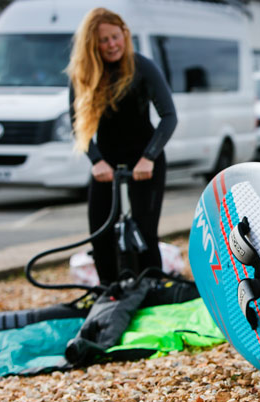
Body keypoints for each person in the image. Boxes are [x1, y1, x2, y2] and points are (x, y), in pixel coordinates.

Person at [67, 8, 177, 285]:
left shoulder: (142, 67)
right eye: (103, 40)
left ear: (124, 35)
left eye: (116, 37)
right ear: (92, 45)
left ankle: (151, 291)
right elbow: (76, 121)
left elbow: (169, 117)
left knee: (144, 231)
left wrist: (149, 157)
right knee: (100, 233)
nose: (112, 44)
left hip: (146, 160)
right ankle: (108, 292)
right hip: (106, 162)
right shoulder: (84, 73)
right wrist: (96, 161)